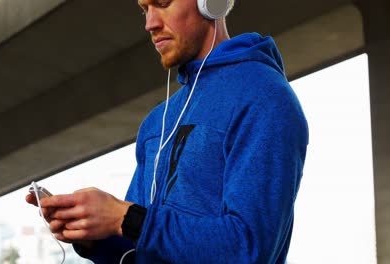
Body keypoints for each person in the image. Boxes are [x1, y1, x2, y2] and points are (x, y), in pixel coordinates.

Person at [26, 0, 308, 262]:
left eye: (162, 3)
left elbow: (250, 248)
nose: (150, 23)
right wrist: (91, 236)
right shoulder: (156, 122)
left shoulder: (264, 97)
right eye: (144, 8)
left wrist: (124, 217)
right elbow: (136, 249)